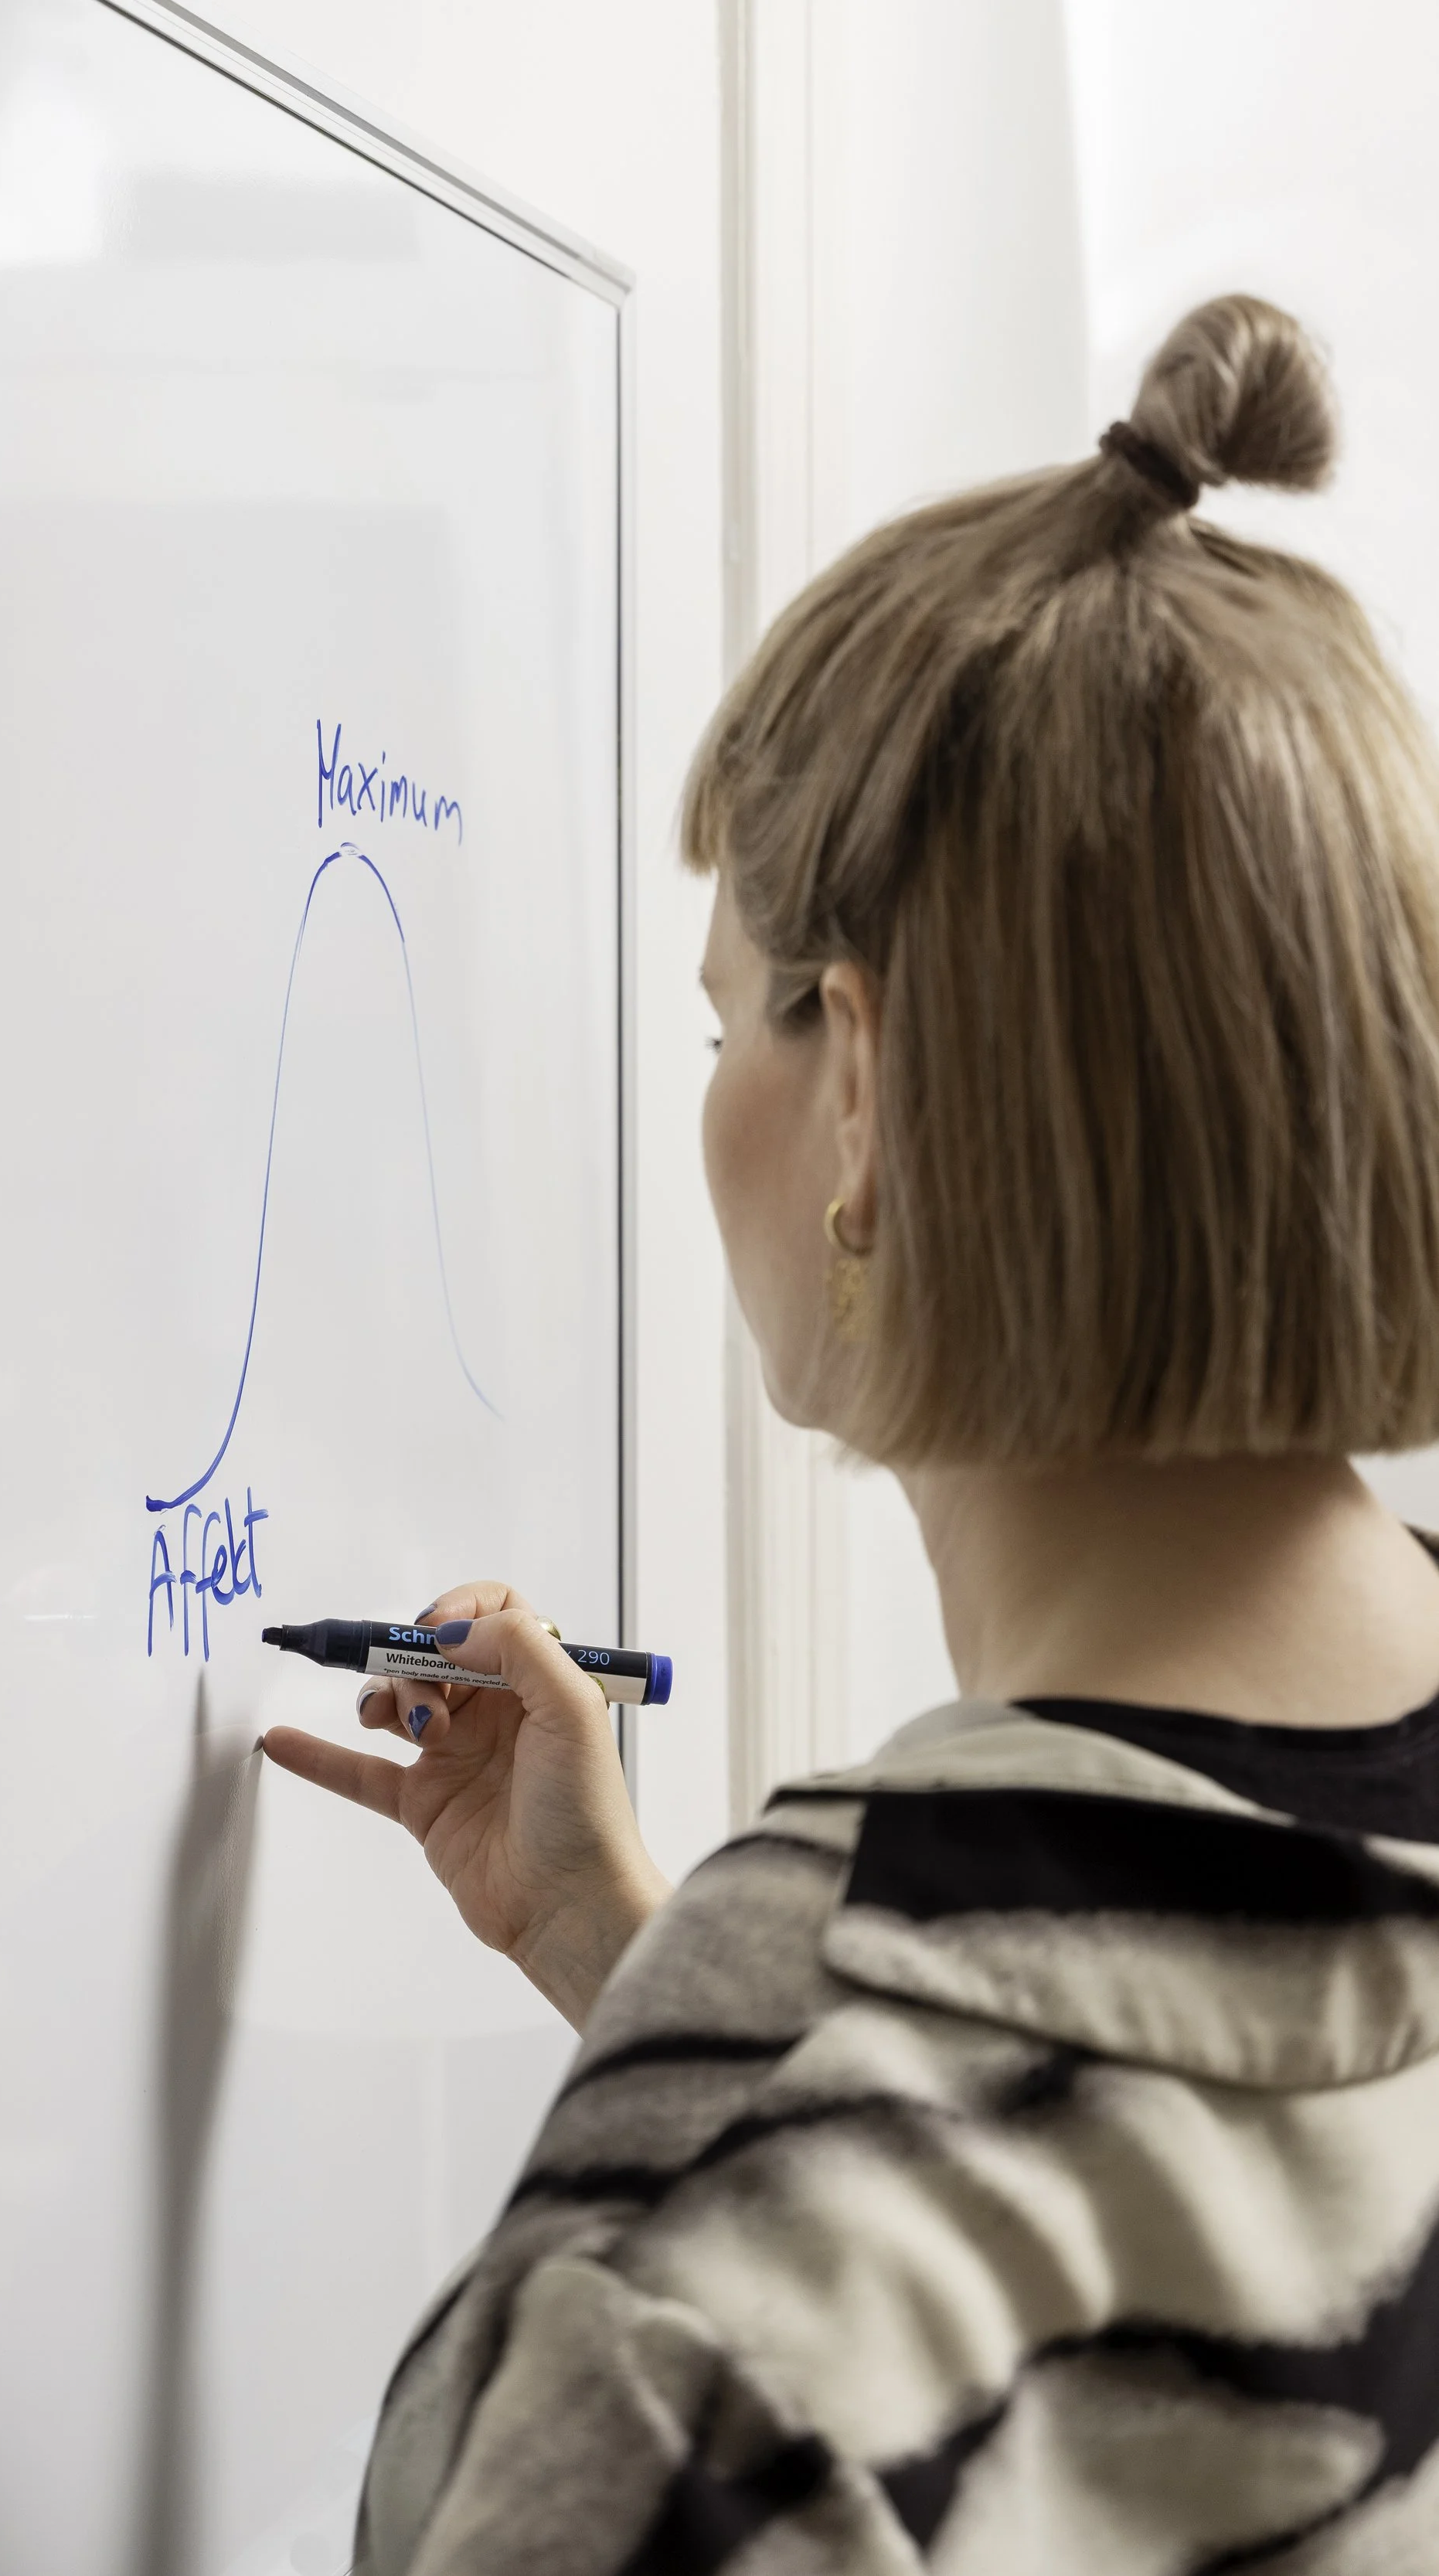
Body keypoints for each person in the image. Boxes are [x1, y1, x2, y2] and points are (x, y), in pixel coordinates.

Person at [259, 294, 1439, 2572]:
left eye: (728, 1025)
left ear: (866, 1090)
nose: (708, 1105)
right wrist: (649, 1977)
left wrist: (733, 2075)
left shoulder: (689, 2315)